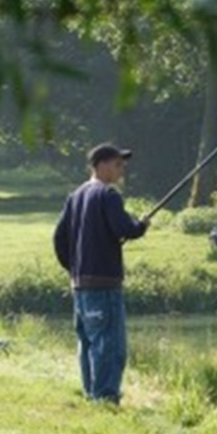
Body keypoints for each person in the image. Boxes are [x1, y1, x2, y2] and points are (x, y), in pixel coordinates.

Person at [53, 144, 149, 405]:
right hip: (104, 285)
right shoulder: (108, 195)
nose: (121, 171)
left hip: (80, 285)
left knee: (88, 342)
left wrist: (73, 269)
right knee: (109, 344)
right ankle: (105, 398)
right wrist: (140, 226)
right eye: (118, 165)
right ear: (101, 165)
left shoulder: (75, 197)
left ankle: (91, 393)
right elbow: (124, 228)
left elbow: (59, 238)